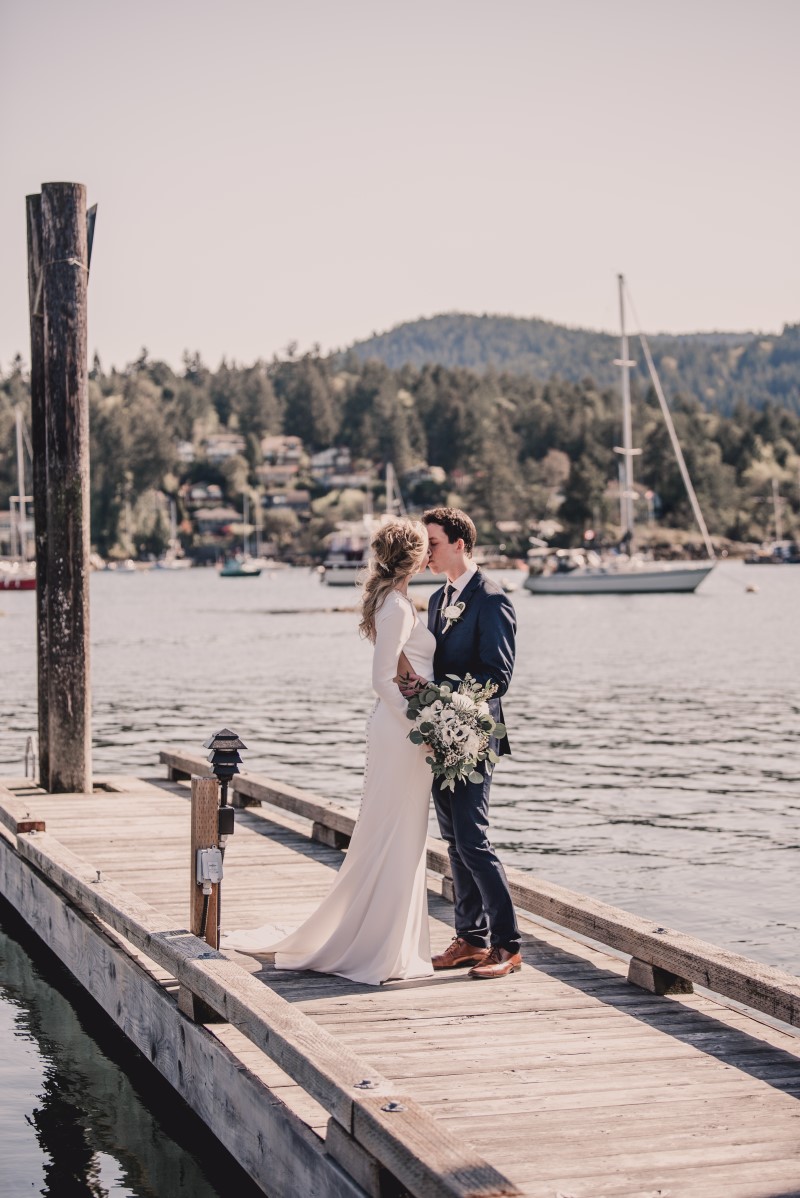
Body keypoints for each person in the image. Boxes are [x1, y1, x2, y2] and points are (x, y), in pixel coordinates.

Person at [223, 520, 435, 986]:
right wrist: (424, 727)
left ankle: (390, 940)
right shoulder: (397, 606)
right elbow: (382, 680)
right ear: (416, 558)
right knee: (394, 833)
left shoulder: (393, 600)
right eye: (426, 548)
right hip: (403, 733)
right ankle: (376, 947)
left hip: (403, 729)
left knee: (399, 834)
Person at [399, 507, 521, 980]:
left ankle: (507, 945)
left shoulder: (491, 599)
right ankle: (471, 938)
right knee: (453, 841)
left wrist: (447, 698)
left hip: (474, 737)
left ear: (459, 544)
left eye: (432, 543)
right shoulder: (436, 598)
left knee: (473, 839)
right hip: (440, 734)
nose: (426, 552)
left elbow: (498, 676)